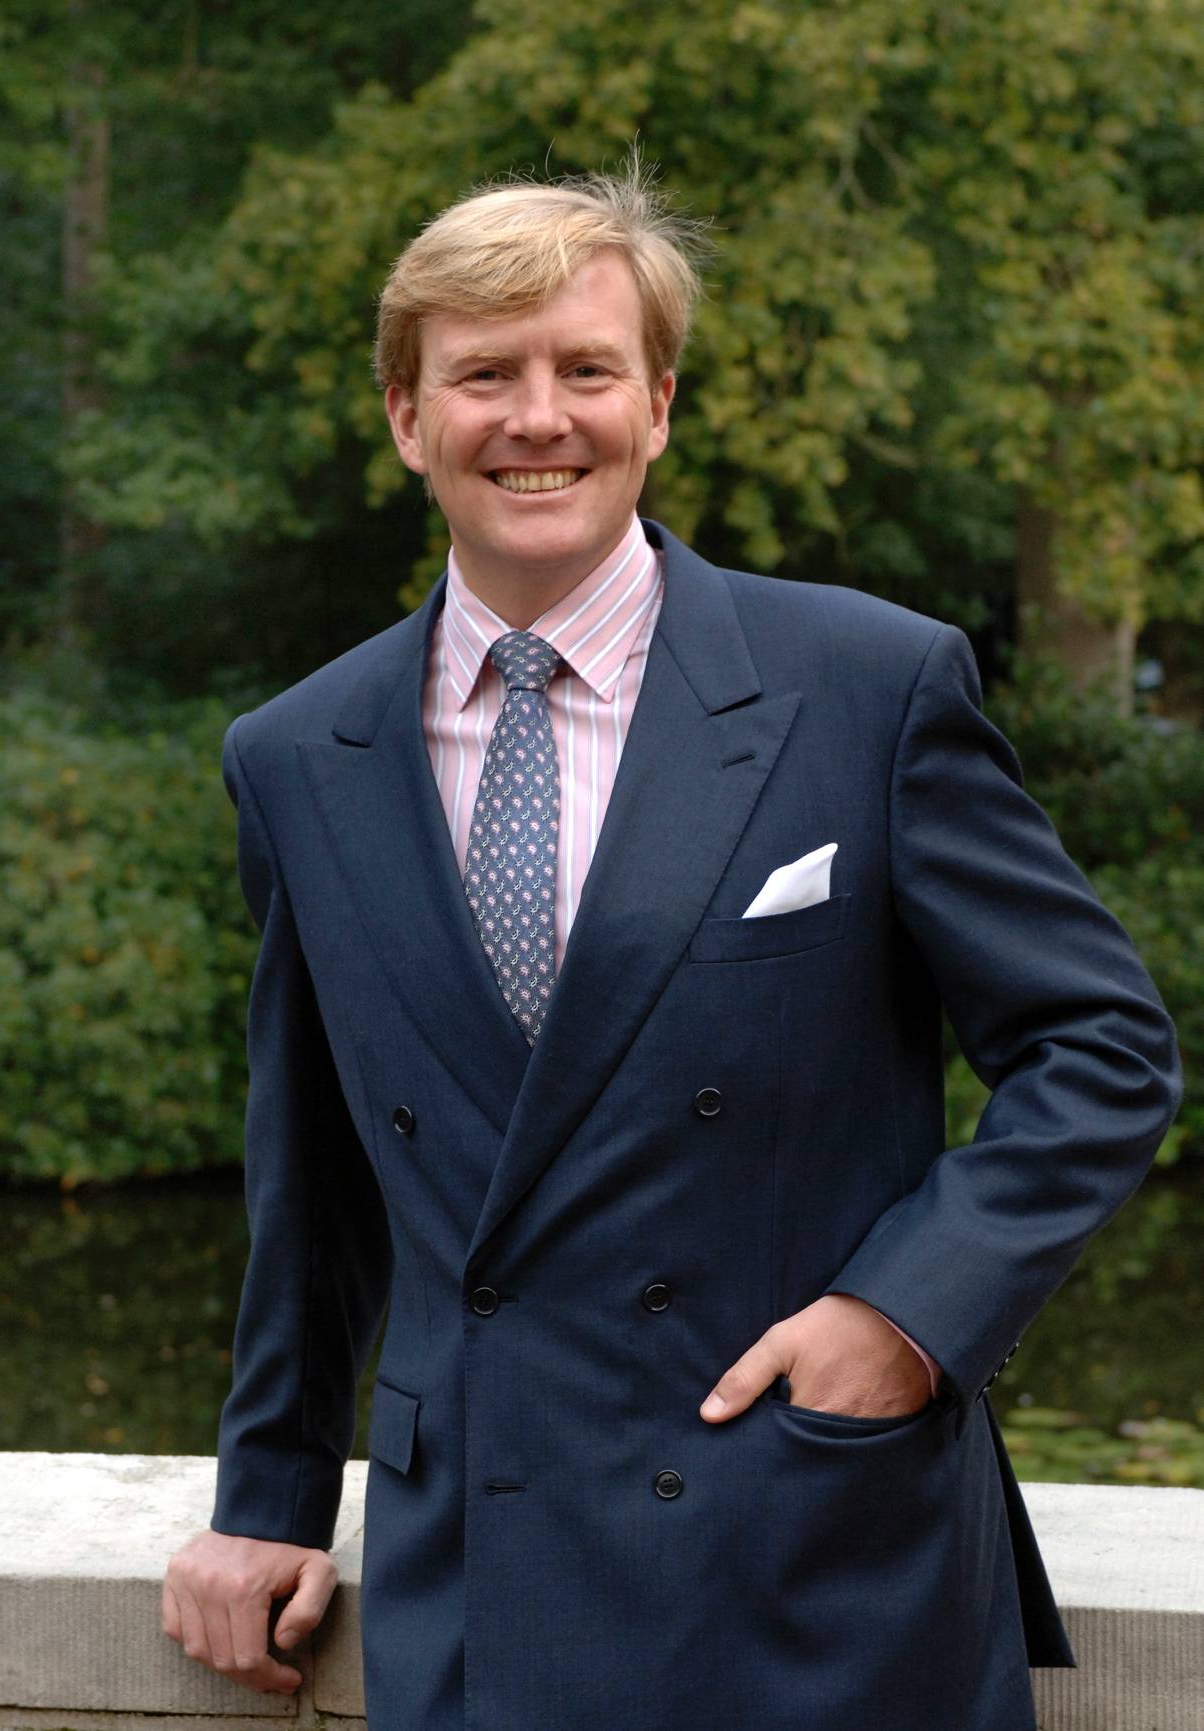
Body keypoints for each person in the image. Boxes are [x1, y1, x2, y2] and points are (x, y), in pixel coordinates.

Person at [162, 165, 1182, 1731]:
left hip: (820, 1550)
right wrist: (271, 1493)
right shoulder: (299, 755)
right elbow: (315, 1167)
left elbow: (1100, 1048)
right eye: (483, 375)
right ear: (407, 418)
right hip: (484, 1566)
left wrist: (904, 1318)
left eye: (585, 368)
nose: (537, 418)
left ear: (656, 404)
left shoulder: (866, 684)